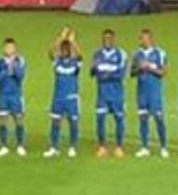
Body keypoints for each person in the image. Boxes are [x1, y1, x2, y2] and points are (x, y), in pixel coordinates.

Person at [44, 28, 82, 158]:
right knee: (55, 122)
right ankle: (54, 147)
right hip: (58, 97)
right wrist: (61, 38)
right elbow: (50, 52)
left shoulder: (75, 63)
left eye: (68, 48)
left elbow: (80, 55)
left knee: (73, 122)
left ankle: (73, 147)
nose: (65, 50)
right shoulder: (58, 62)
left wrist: (73, 42)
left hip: (71, 98)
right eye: (63, 48)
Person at [131, 29, 169, 158]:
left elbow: (163, 73)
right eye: (141, 38)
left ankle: (163, 147)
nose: (144, 41)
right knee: (143, 119)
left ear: (151, 39)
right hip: (142, 92)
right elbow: (132, 73)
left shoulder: (160, 53)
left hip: (155, 92)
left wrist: (150, 68)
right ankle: (144, 147)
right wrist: (139, 68)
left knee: (158, 118)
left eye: (146, 38)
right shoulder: (137, 55)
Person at [91, 29, 127, 158]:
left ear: (113, 39)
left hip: (117, 94)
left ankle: (119, 147)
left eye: (109, 38)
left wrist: (104, 74)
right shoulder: (97, 54)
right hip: (102, 94)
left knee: (119, 119)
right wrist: (95, 69)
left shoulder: (121, 54)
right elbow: (93, 73)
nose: (107, 41)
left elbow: (121, 74)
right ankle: (102, 147)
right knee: (100, 119)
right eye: (104, 38)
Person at [0, 38, 27, 157]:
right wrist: (8, 70)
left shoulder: (20, 60)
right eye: (7, 47)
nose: (9, 49)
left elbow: (20, 76)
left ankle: (20, 145)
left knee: (18, 120)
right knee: (3, 120)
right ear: (4, 48)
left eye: (11, 47)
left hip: (16, 95)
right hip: (3, 95)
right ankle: (3, 146)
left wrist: (13, 66)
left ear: (15, 48)